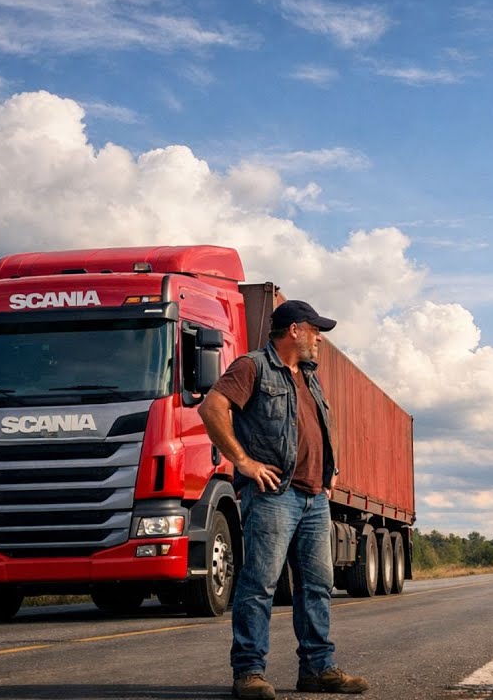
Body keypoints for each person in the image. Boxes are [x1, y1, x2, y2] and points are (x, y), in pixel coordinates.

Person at [199, 299, 369, 699]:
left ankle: (318, 669)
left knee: (317, 586)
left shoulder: (309, 376)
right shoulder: (253, 366)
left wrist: (331, 470)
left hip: (314, 497)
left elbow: (323, 424)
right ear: (294, 330)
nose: (319, 339)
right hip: (274, 495)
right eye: (315, 331)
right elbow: (212, 408)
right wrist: (244, 462)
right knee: (260, 583)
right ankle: (249, 672)